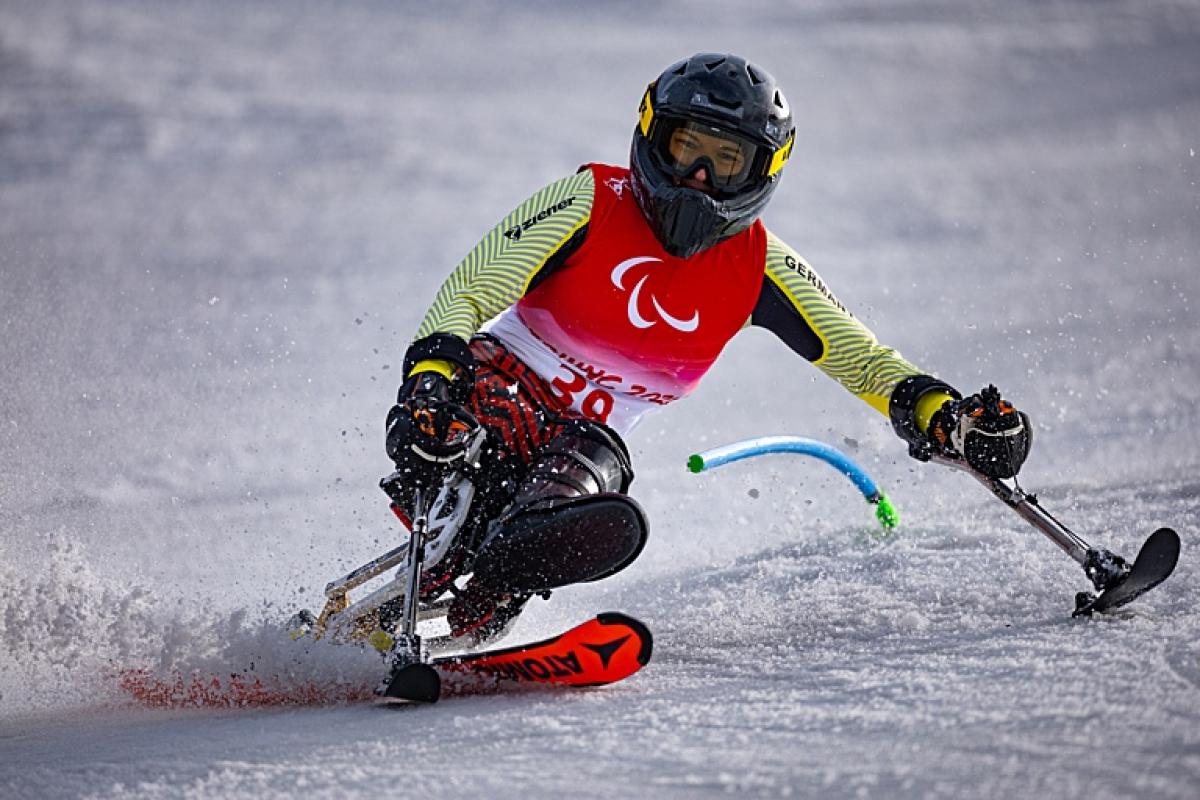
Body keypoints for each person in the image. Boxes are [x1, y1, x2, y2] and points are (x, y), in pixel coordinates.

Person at [384, 53, 1030, 645]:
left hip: (574, 451)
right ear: (650, 135)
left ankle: (500, 577)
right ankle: (465, 536)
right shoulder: (591, 202)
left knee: (600, 459)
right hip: (487, 399)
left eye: (725, 161)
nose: (695, 177)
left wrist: (946, 416)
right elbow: (470, 291)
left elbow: (863, 361)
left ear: (763, 171)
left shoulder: (758, 269)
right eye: (684, 147)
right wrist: (430, 385)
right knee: (524, 448)